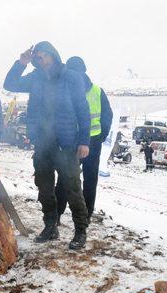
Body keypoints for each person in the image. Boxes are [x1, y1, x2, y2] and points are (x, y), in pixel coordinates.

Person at [4, 41, 91, 250]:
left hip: (66, 143)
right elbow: (10, 84)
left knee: (72, 188)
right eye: (37, 58)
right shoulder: (35, 77)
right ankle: (50, 226)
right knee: (43, 187)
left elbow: (83, 109)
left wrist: (84, 141)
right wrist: (21, 63)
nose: (40, 61)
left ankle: (81, 230)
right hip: (42, 142)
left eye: (43, 56)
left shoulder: (71, 77)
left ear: (53, 55)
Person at [55, 56, 113, 221]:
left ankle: (65, 214)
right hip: (82, 142)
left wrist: (101, 136)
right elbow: (107, 116)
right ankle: (78, 214)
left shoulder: (93, 91)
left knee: (69, 178)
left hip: (84, 142)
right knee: (84, 178)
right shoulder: (95, 90)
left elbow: (107, 116)